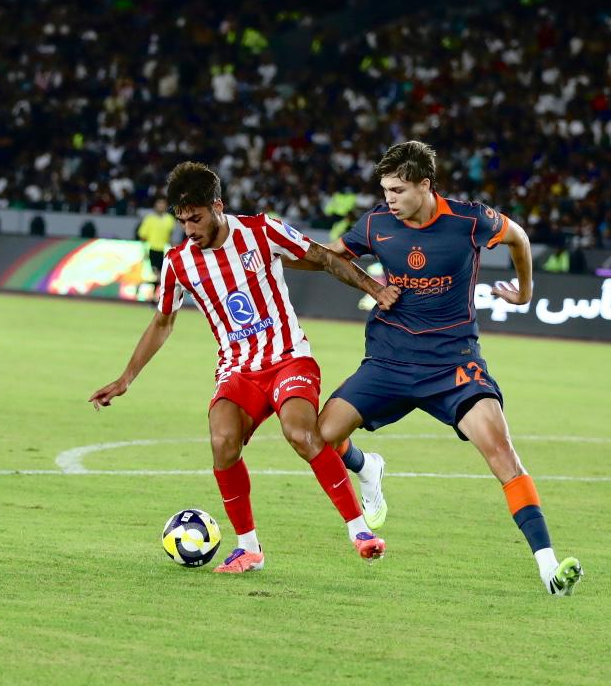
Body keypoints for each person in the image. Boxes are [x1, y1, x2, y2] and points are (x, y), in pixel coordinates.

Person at [88, 161, 399, 573]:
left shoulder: (261, 230)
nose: (189, 229)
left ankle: (359, 531)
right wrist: (126, 378)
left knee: (300, 432)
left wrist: (375, 288)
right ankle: (249, 548)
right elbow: (163, 322)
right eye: (182, 221)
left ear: (217, 206)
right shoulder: (179, 262)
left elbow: (323, 258)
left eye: (196, 218)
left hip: (289, 357)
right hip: (237, 369)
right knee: (222, 442)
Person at [314, 141, 583, 596]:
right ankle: (366, 468)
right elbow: (330, 255)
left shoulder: (469, 220)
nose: (389, 199)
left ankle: (548, 568)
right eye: (385, 190)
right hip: (390, 359)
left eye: (398, 190)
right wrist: (370, 286)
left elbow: (519, 237)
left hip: (452, 363)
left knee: (502, 453)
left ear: (425, 185)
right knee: (322, 436)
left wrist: (525, 292)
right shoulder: (377, 223)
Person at [137, 198, 177, 300]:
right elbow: (142, 236)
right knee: (157, 275)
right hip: (153, 249)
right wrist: (144, 250)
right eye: (159, 204)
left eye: (163, 204)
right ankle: (155, 297)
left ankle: (153, 296)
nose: (161, 206)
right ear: (155, 205)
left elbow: (170, 236)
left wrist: (173, 248)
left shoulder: (170, 220)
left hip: (165, 250)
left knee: (161, 276)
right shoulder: (149, 219)